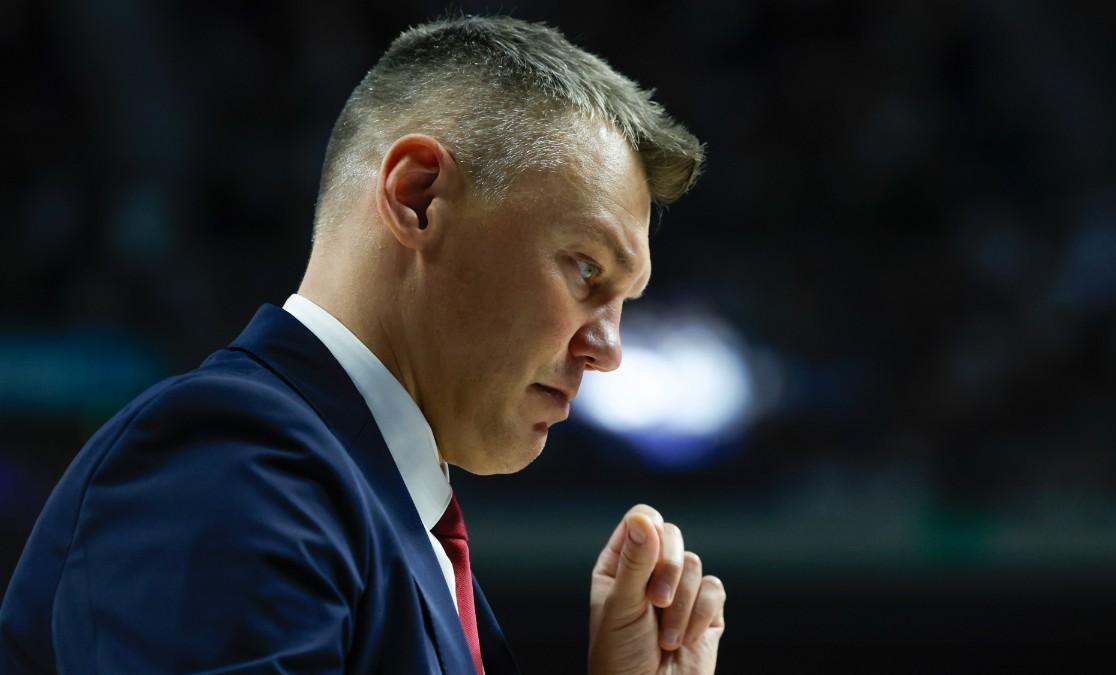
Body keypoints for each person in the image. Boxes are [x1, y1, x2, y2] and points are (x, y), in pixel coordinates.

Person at [0, 15, 725, 675]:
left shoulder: (363, 505)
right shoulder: (233, 460)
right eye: (587, 269)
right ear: (417, 197)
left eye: (623, 302)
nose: (608, 349)